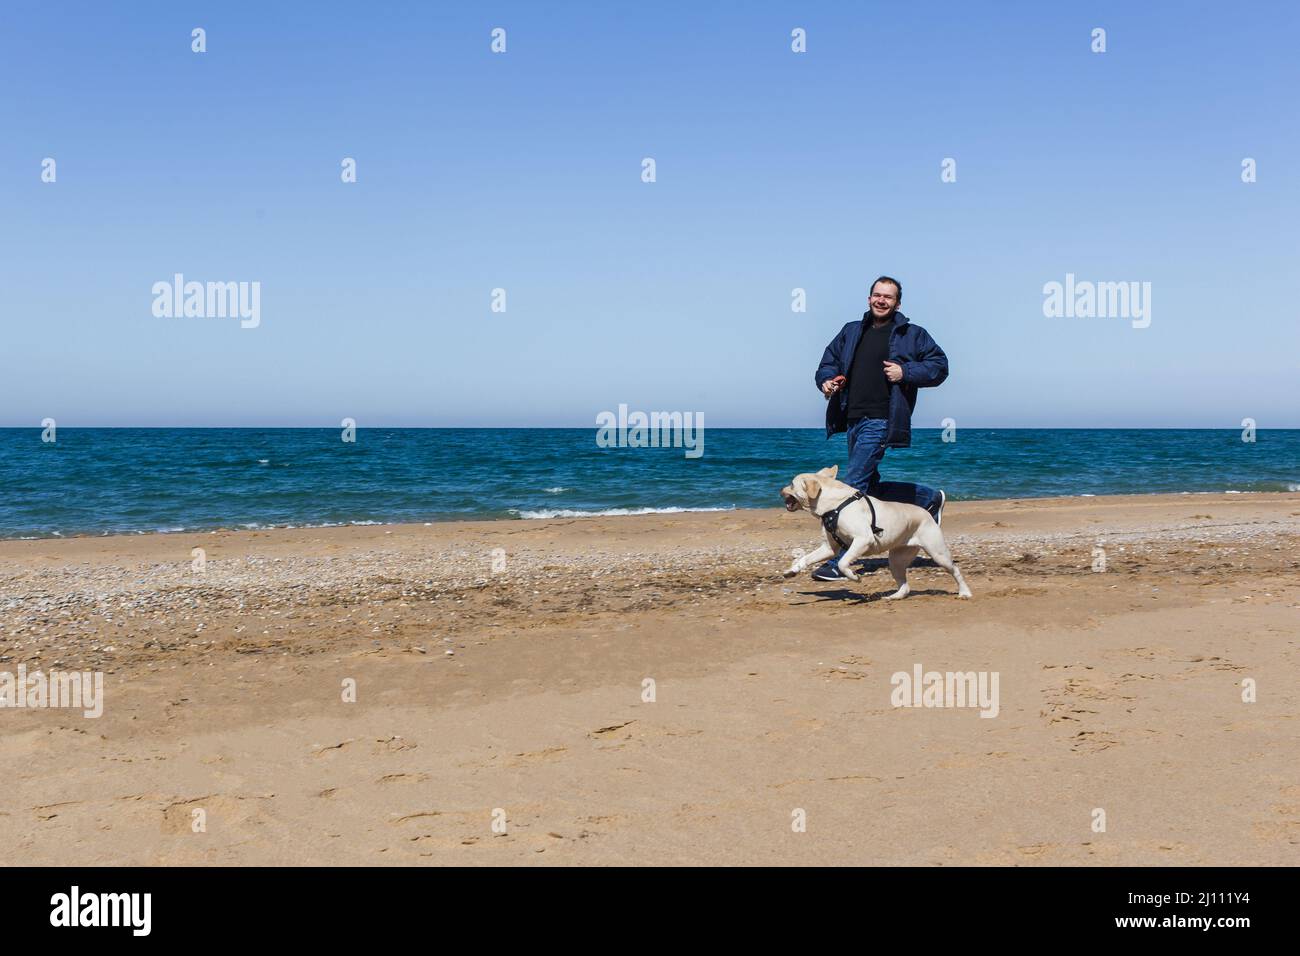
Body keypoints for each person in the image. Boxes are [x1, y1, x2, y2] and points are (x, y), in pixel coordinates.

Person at [810, 276, 949, 581]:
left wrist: (906, 371)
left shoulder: (912, 334)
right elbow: (827, 362)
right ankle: (927, 499)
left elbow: (940, 367)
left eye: (888, 297)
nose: (881, 300)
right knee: (869, 488)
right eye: (877, 295)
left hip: (883, 418)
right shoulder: (851, 331)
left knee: (852, 485)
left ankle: (839, 559)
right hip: (852, 418)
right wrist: (827, 380)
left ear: (898, 303)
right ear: (869, 298)